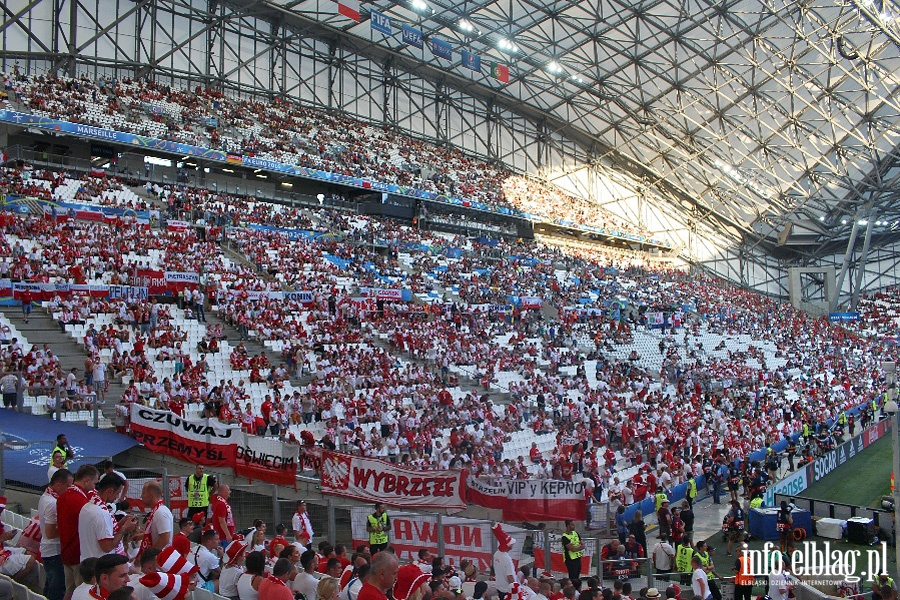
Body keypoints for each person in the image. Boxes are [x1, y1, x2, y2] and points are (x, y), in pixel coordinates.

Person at [59, 465, 100, 597]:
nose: (94, 488)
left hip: (66, 551)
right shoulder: (82, 502)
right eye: (94, 483)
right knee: (82, 594)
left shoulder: (63, 496)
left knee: (70, 591)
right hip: (77, 554)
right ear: (86, 480)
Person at [79, 473, 138, 559]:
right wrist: (124, 529)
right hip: (99, 565)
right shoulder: (101, 513)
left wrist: (120, 524)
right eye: (117, 493)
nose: (117, 497)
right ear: (110, 491)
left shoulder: (88, 506)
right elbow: (107, 547)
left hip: (88, 561)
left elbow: (101, 532)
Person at [39, 468, 73, 600]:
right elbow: (50, 532)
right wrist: (69, 527)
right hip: (54, 551)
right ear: (58, 485)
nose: (70, 489)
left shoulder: (46, 496)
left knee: (50, 586)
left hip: (49, 550)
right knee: (57, 591)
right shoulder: (52, 503)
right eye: (68, 486)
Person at [139, 481, 173, 555]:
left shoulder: (160, 512)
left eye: (143, 493)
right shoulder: (157, 511)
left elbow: (164, 539)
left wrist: (147, 556)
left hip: (160, 559)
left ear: (150, 495)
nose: (141, 496)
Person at [492, 524, 516, 600]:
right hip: (507, 589)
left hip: (499, 585)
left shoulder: (497, 554)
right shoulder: (507, 559)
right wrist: (515, 587)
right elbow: (510, 576)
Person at [561, 519, 584, 587]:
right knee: (573, 577)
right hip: (570, 559)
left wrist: (576, 547)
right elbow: (572, 549)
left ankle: (577, 589)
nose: (574, 526)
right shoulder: (565, 537)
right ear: (568, 526)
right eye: (572, 525)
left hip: (577, 557)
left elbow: (583, 545)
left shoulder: (575, 533)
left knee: (577, 575)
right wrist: (578, 547)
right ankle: (572, 589)